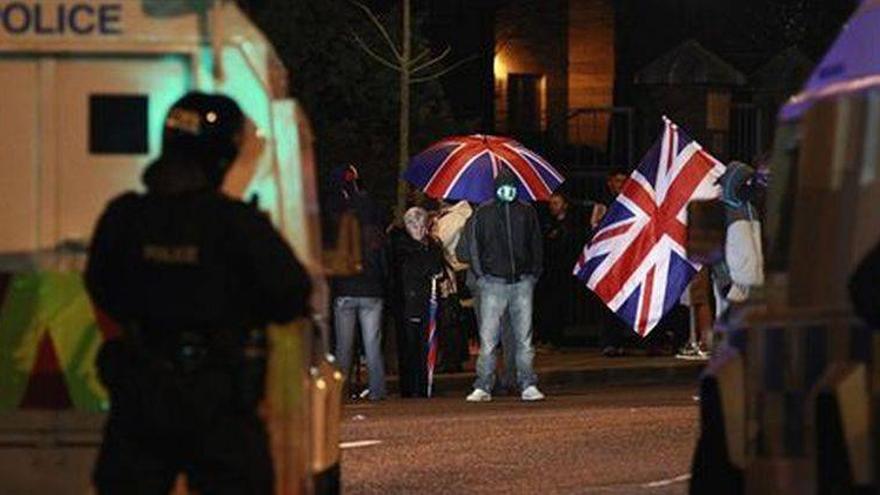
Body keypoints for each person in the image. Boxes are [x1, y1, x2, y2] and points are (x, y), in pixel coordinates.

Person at [85, 92, 312, 494]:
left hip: (141, 391)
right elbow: (291, 295)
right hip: (219, 396)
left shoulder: (125, 217)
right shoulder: (236, 225)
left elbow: (101, 285)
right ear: (222, 155)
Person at [458, 169, 546, 402]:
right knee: (490, 339)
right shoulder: (484, 213)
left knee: (522, 339)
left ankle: (525, 382)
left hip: (519, 281)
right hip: (494, 282)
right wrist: (482, 275)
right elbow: (475, 246)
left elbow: (536, 244)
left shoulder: (525, 212)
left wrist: (532, 274)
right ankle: (485, 384)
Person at [326, 164, 388, 401]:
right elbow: (383, 264)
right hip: (372, 292)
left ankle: (340, 392)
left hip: (345, 291)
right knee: (372, 343)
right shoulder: (375, 234)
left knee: (344, 346)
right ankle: (377, 390)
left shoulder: (341, 232)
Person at [390, 207, 446, 396]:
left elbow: (439, 268)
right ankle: (409, 388)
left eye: (422, 225)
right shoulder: (400, 247)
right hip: (407, 302)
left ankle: (423, 386)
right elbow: (406, 272)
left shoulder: (432, 245)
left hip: (426, 302)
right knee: (409, 347)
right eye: (414, 225)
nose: (419, 229)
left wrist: (437, 272)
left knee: (424, 346)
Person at [536, 192, 585, 347]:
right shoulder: (547, 223)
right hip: (549, 271)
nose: (552, 207)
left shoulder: (572, 225)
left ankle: (556, 338)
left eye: (556, 203)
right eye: (551, 203)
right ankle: (546, 336)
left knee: (559, 305)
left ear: (565, 205)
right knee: (546, 305)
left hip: (563, 271)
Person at [596, 168, 630, 357]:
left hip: (625, 260)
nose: (621, 185)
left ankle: (619, 340)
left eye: (624, 181)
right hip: (607, 260)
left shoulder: (630, 202)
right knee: (607, 302)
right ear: (610, 183)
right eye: (617, 181)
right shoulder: (603, 205)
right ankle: (608, 341)